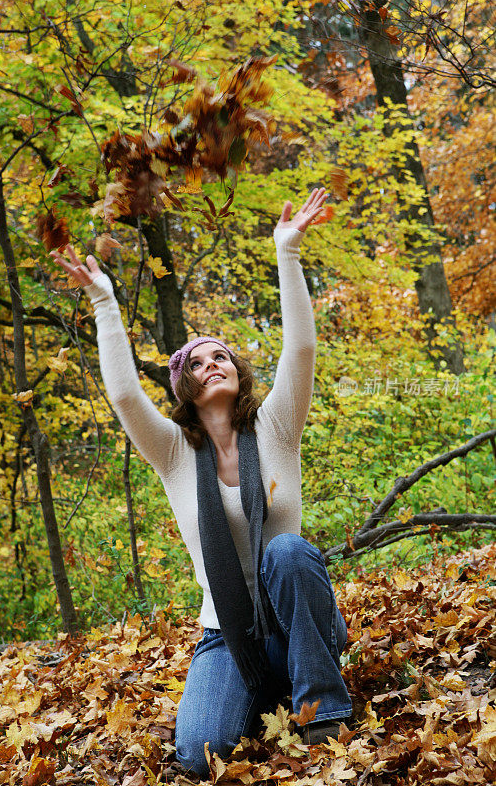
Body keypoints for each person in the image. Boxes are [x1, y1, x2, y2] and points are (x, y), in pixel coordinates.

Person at [49, 187, 353, 777]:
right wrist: (104, 303)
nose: (214, 363)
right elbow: (121, 395)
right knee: (197, 754)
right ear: (183, 386)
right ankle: (267, 689)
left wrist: (286, 255)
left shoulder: (276, 426)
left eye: (223, 357)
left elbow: (304, 348)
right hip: (226, 634)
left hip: (295, 616)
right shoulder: (172, 452)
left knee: (288, 551)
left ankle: (321, 709)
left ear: (239, 374)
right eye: (197, 361)